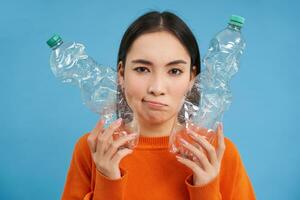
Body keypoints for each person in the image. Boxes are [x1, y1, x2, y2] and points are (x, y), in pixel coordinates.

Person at [61, 11, 256, 200]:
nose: (157, 87)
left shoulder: (217, 154)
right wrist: (107, 180)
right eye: (142, 69)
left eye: (174, 71)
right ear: (121, 74)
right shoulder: (94, 150)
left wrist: (206, 190)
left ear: (192, 78)